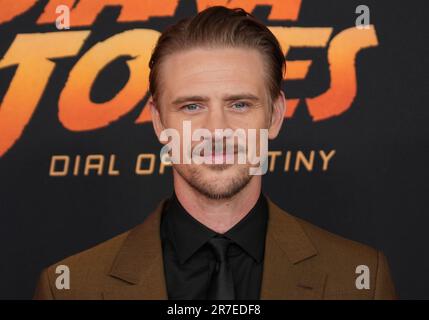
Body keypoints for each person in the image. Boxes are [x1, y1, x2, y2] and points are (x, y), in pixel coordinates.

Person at [34, 6, 396, 300]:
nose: (216, 130)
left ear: (275, 116)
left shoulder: (359, 280)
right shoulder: (70, 287)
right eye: (192, 106)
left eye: (239, 104)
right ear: (159, 121)